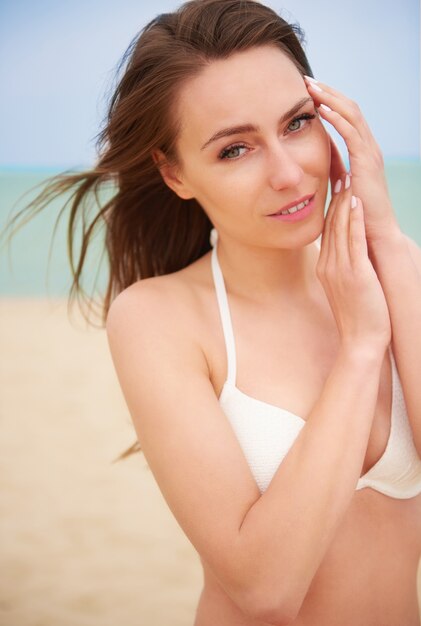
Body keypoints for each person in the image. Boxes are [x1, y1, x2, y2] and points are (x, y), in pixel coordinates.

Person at [5, 0, 421, 623]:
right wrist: (362, 349)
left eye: (298, 123)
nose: (289, 172)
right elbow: (266, 589)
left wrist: (386, 236)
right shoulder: (159, 319)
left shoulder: (397, 270)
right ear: (174, 173)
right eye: (235, 150)